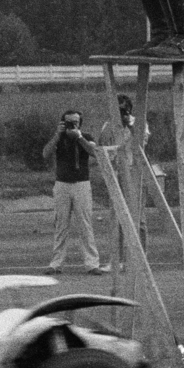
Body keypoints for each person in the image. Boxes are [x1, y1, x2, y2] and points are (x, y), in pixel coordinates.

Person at [42, 109, 106, 273]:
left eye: (75, 122)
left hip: (81, 184)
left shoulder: (86, 137)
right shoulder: (59, 138)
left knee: (85, 224)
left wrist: (79, 136)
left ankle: (92, 264)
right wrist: (57, 134)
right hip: (62, 183)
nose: (72, 125)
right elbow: (45, 153)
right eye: (69, 122)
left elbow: (93, 152)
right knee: (61, 224)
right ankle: (56, 263)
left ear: (80, 123)